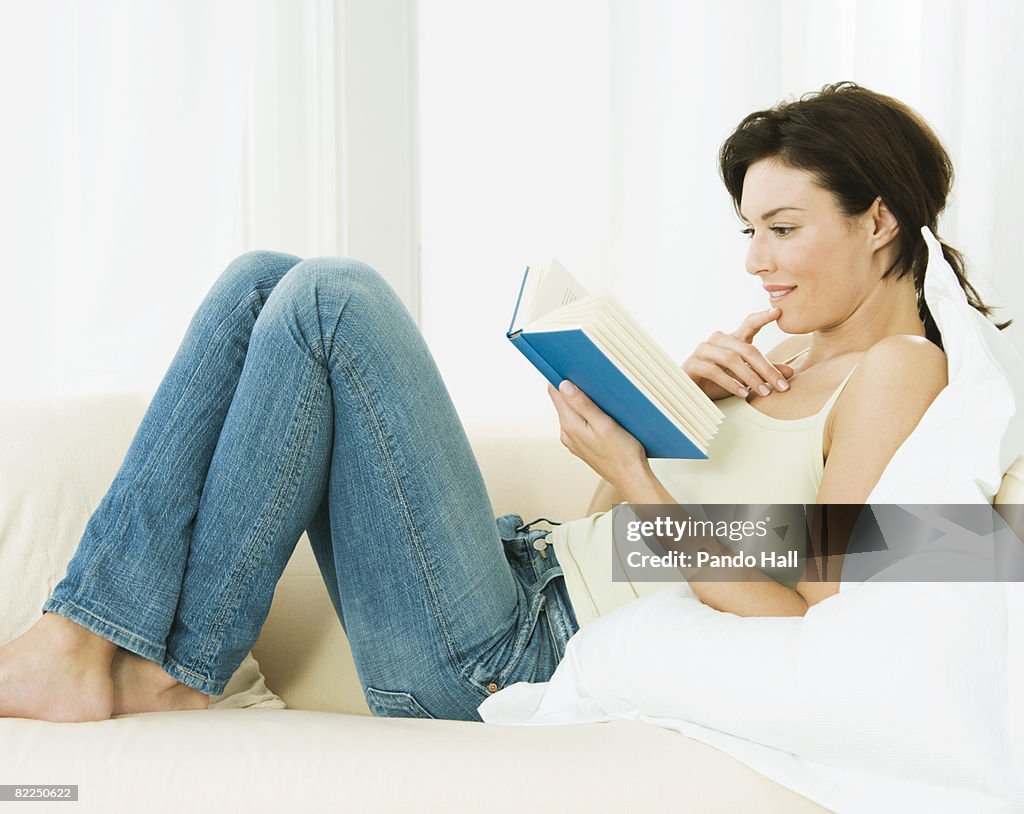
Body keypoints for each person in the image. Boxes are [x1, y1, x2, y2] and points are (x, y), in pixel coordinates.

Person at [0, 82, 1009, 723]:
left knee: (328, 299)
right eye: (748, 231)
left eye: (783, 228)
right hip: (520, 566)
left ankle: (118, 650)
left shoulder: (901, 372)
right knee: (263, 277)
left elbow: (812, 603)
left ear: (878, 220)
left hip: (515, 652)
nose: (756, 264)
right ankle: (108, 645)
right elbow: (627, 543)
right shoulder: (775, 357)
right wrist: (672, 411)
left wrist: (635, 473)